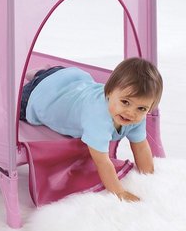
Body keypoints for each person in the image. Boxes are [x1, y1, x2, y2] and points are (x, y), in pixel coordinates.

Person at [19, 57, 163, 202]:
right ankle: (38, 78)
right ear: (108, 92)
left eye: (141, 108)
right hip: (41, 95)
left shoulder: (136, 116)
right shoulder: (98, 117)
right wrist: (119, 192)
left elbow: (141, 147)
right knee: (17, 107)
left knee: (49, 76)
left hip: (68, 78)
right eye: (125, 102)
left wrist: (149, 177)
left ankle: (42, 74)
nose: (131, 113)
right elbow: (102, 161)